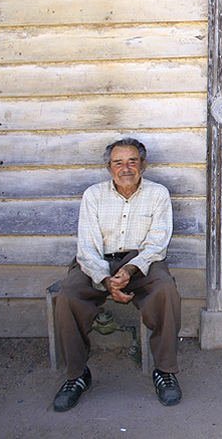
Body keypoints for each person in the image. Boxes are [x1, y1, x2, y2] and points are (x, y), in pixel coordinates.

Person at [52, 138, 182, 411]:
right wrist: (106, 279)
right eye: (118, 162)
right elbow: (86, 247)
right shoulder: (93, 195)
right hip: (98, 261)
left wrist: (130, 268)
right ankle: (76, 376)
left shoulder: (158, 194)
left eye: (132, 161)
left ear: (143, 165)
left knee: (166, 291)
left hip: (141, 262)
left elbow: (157, 243)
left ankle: (165, 371)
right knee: (68, 296)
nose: (126, 168)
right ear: (109, 167)